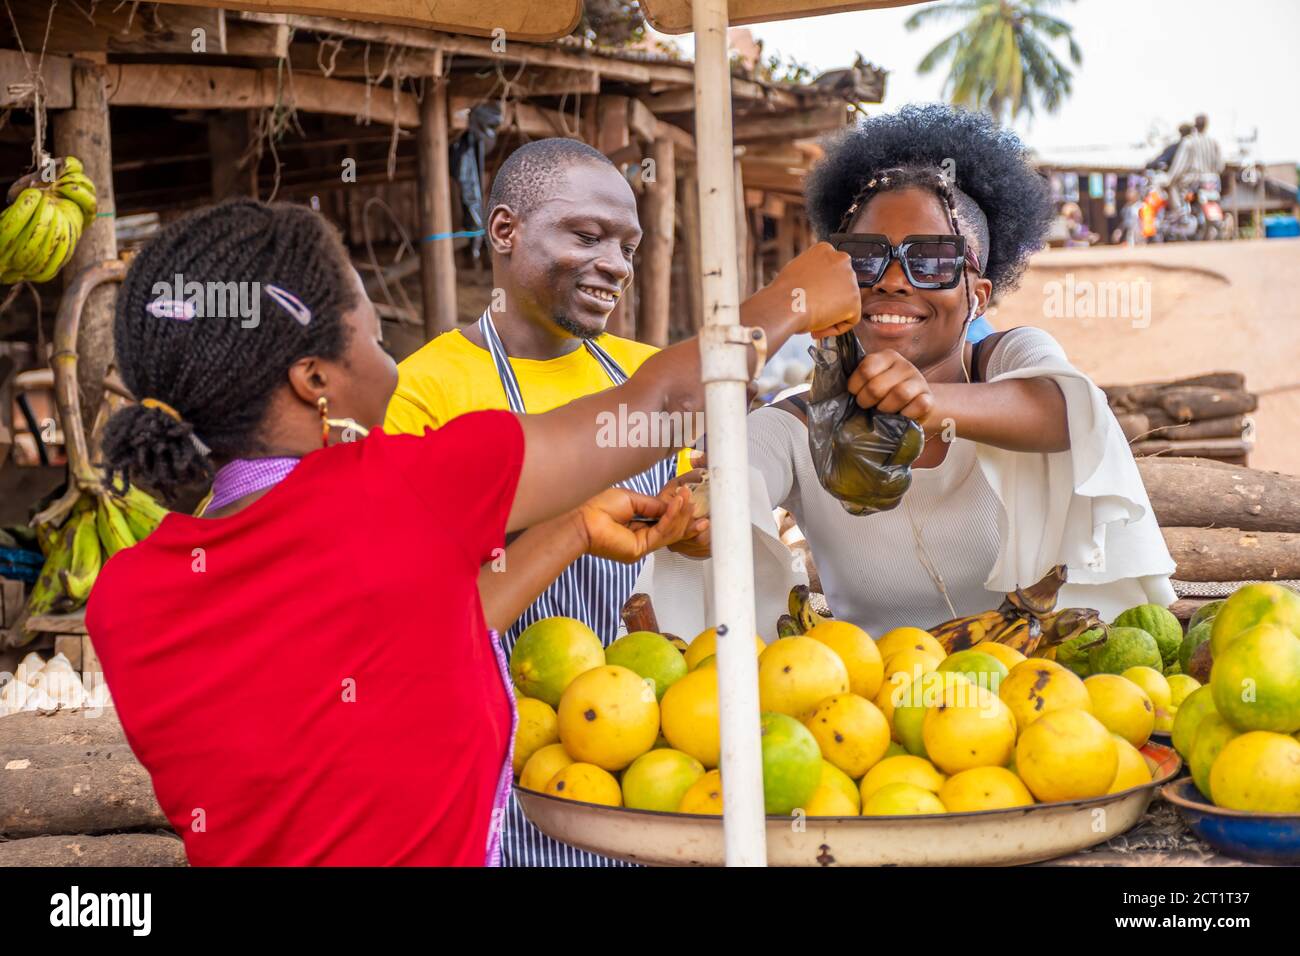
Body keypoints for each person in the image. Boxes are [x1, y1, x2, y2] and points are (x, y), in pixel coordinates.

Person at [85, 198, 860, 866]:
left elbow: (391, 661)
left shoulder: (125, 600)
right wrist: (792, 302)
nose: (388, 349)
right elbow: (661, 408)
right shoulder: (401, 487)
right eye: (371, 329)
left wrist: (569, 532)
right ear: (314, 379)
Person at [641, 105, 1176, 641]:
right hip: (864, 712)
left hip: (1038, 695)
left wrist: (928, 403)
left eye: (934, 259)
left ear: (978, 296)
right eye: (865, 258)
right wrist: (702, 516)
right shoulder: (799, 425)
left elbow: (1071, 413)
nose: (894, 281)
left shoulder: (1012, 361)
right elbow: (736, 474)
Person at [384, 138, 699, 866]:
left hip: (640, 744)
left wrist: (692, 532)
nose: (616, 263)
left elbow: (678, 542)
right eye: (587, 236)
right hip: (495, 742)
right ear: (505, 231)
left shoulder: (644, 372)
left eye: (628, 244)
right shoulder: (425, 389)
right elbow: (412, 600)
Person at [1167, 114, 1224, 214]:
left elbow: (1179, 167)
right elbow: (1220, 166)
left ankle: (1179, 213)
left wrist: (1170, 179)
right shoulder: (1213, 142)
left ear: (1195, 125)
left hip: (1194, 180)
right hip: (1213, 181)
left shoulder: (1189, 142)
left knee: (1172, 185)